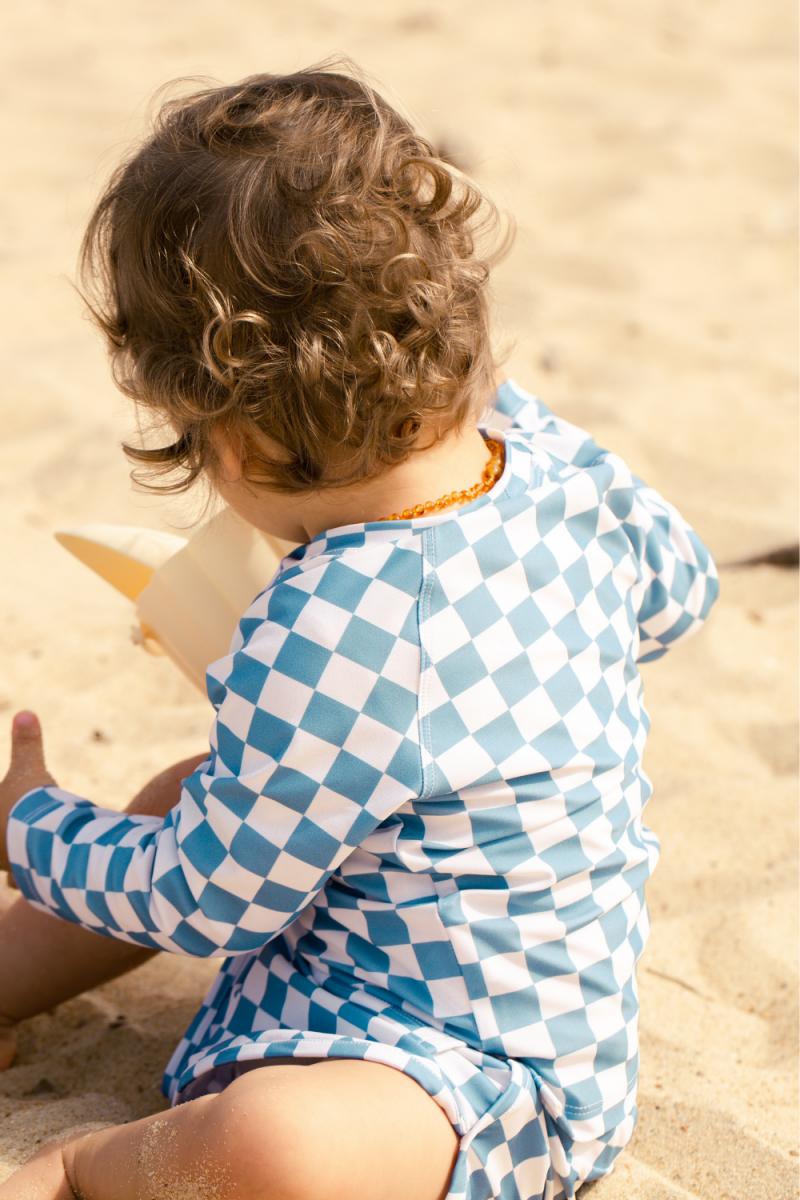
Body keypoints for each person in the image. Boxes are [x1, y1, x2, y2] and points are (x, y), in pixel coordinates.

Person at [0, 64, 717, 1200]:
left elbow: (208, 898)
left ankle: (82, 1164)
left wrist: (33, 830)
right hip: (571, 1035)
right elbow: (677, 593)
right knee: (185, 789)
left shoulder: (334, 617)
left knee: (277, 1143)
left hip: (451, 1083)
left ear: (229, 435)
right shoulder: (545, 464)